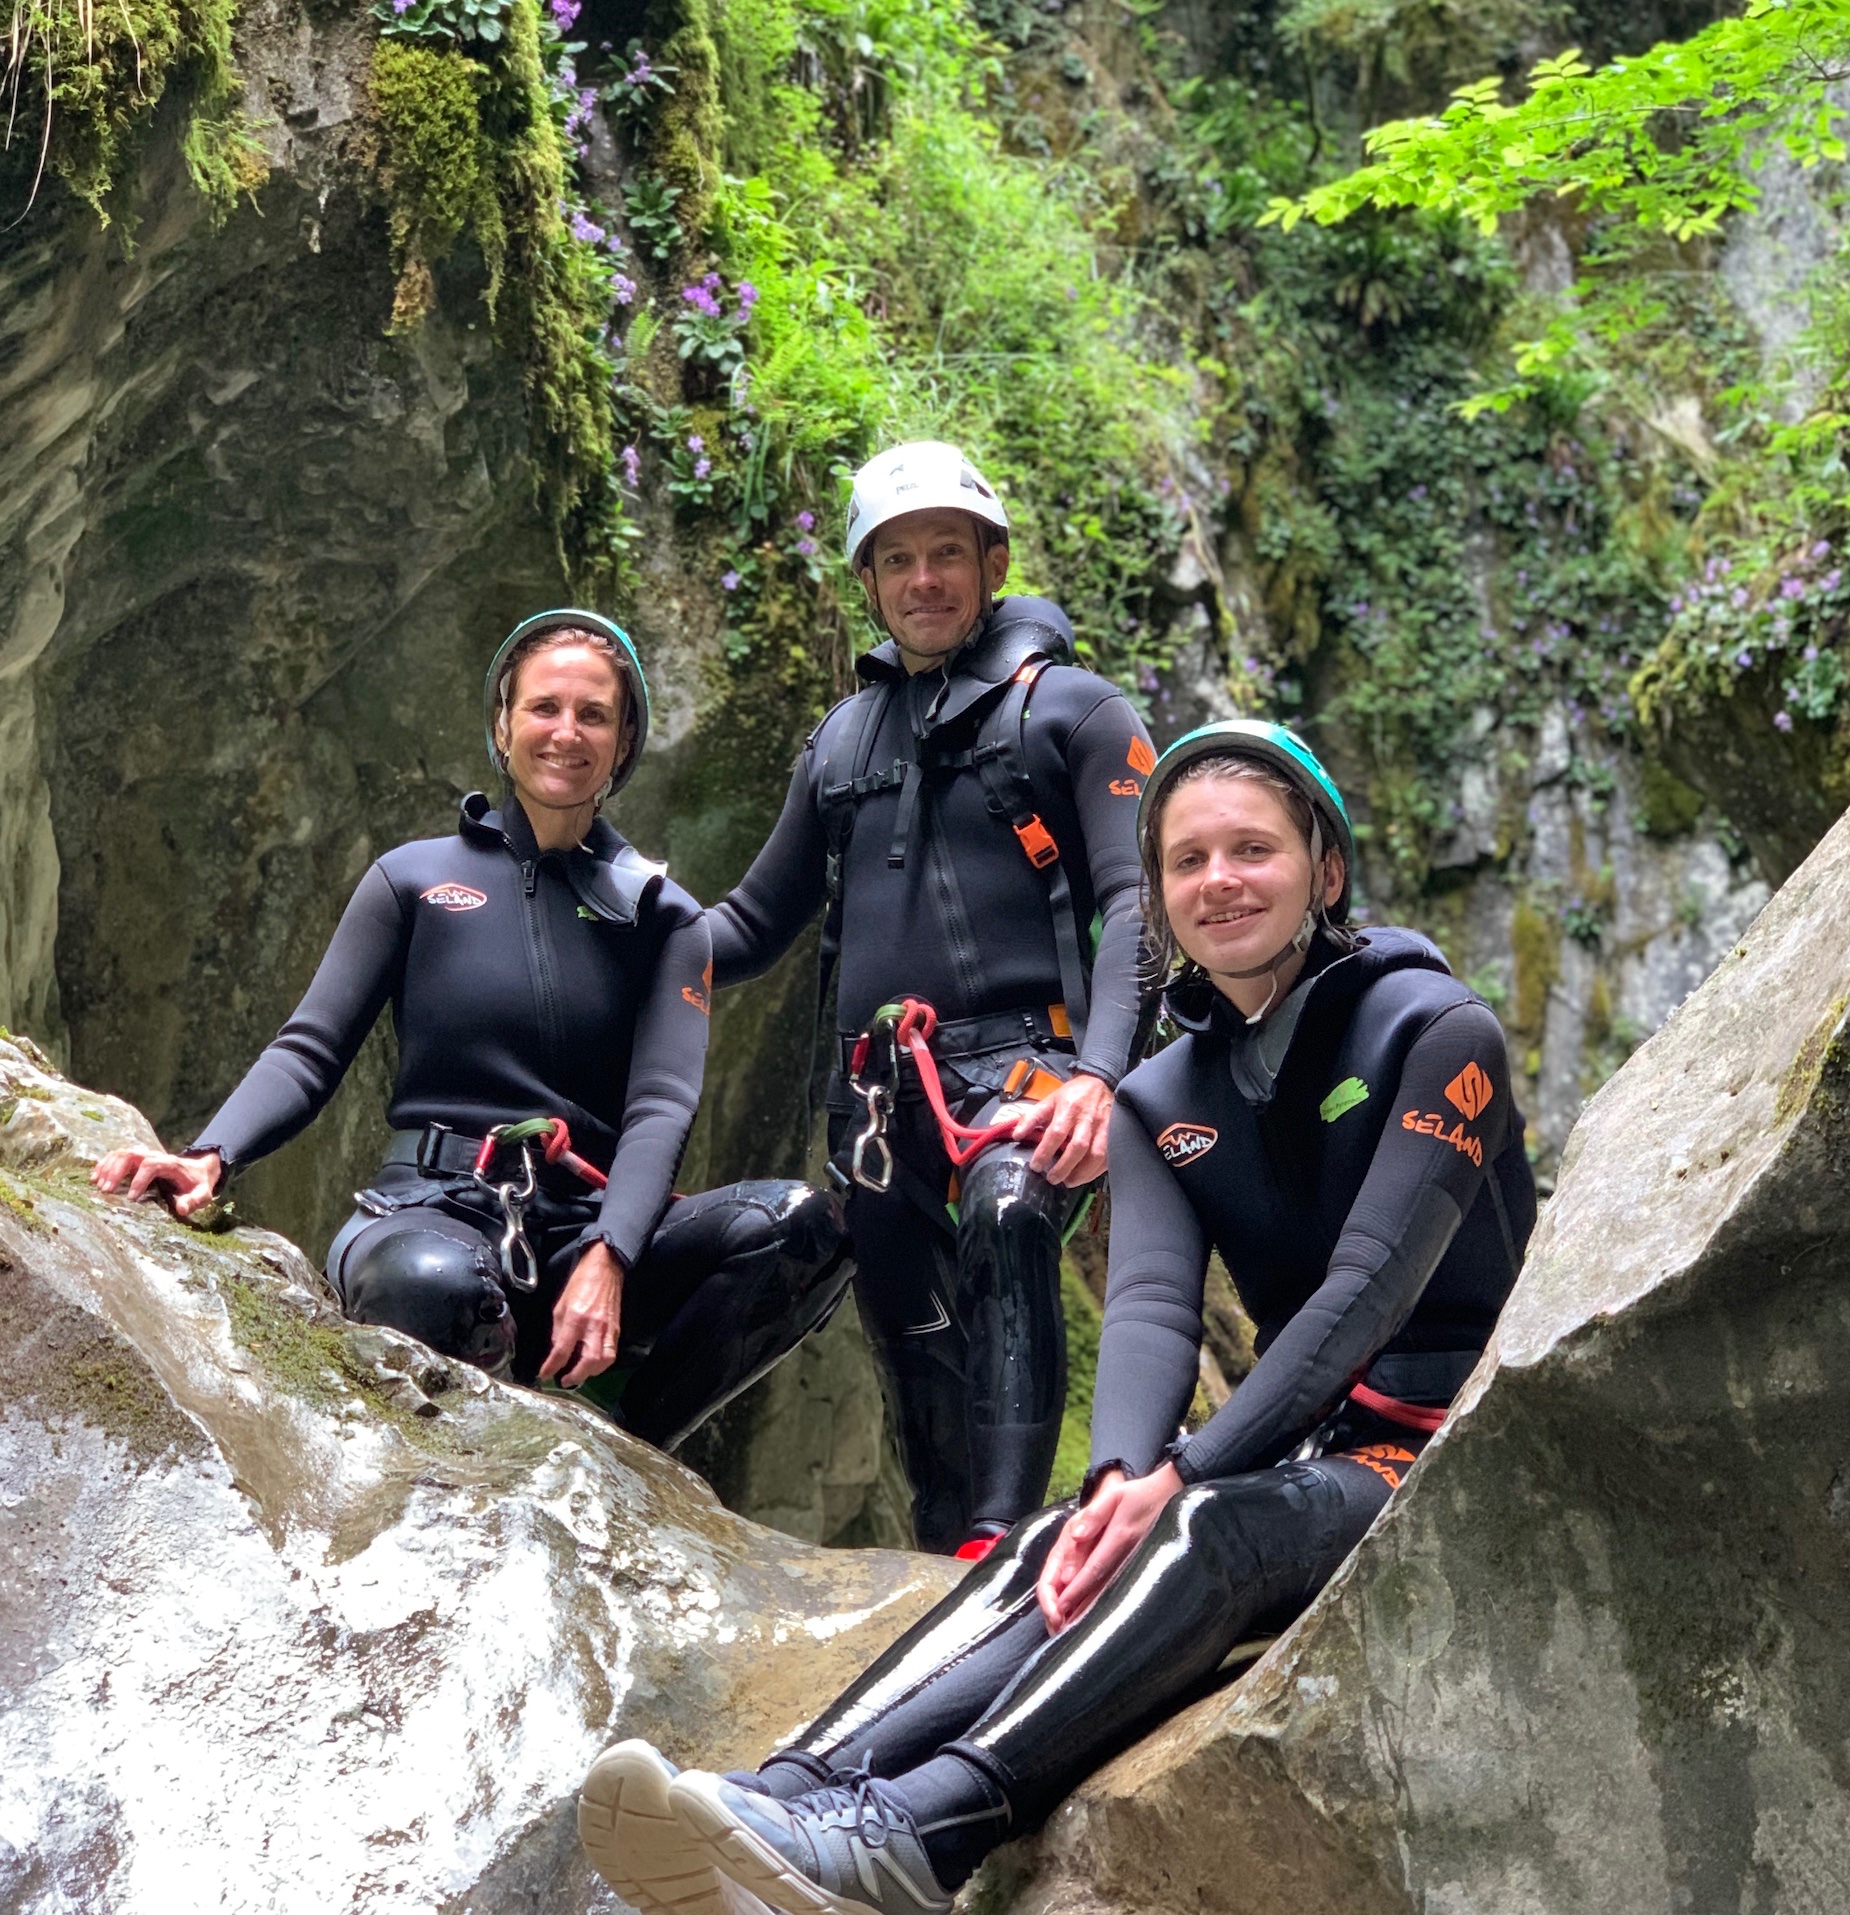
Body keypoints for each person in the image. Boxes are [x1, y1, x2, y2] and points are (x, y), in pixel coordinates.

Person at [575, 718, 1537, 1915]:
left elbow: (1369, 1287)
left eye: (1253, 850)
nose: (1219, 882)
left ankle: (918, 1838)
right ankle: (779, 1807)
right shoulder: (1162, 1092)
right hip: (1311, 1448)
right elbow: (1144, 1304)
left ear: (1325, 870)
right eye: (1187, 861)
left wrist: (1182, 1473)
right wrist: (1121, 1473)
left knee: (1198, 1529)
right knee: (1062, 1536)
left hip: (1455, 1446)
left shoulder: (1438, 1031)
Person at [93, 610, 851, 1449]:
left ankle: (628, 1455)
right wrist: (210, 1153)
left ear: (624, 739)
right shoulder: (413, 879)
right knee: (433, 1282)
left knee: (801, 1226)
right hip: (427, 1210)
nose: (567, 733)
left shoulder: (663, 918)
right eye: (543, 708)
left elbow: (662, 1107)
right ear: (503, 722)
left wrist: (612, 1251)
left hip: (579, 1232)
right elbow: (310, 1048)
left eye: (593, 715)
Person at [703, 442, 1157, 1554]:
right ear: (866, 582)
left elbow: (1140, 907)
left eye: (947, 553)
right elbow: (751, 926)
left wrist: (1102, 1079)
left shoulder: (1076, 715)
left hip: (1030, 1068)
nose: (923, 580)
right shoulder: (840, 743)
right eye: (896, 559)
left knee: (1008, 1217)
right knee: (907, 1324)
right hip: (877, 1099)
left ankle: (1003, 1542)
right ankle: (942, 1557)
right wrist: (622, 934)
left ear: (992, 563)